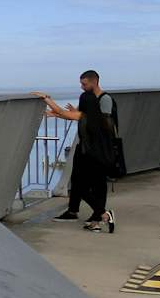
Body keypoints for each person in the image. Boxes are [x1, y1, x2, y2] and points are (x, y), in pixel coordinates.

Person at [32, 71, 119, 233]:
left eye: (84, 84)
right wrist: (56, 113)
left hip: (91, 155)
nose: (81, 87)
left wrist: (46, 98)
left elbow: (65, 112)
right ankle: (98, 219)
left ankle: (102, 215)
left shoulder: (87, 114)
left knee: (84, 187)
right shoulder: (96, 116)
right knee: (88, 185)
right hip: (98, 154)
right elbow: (68, 114)